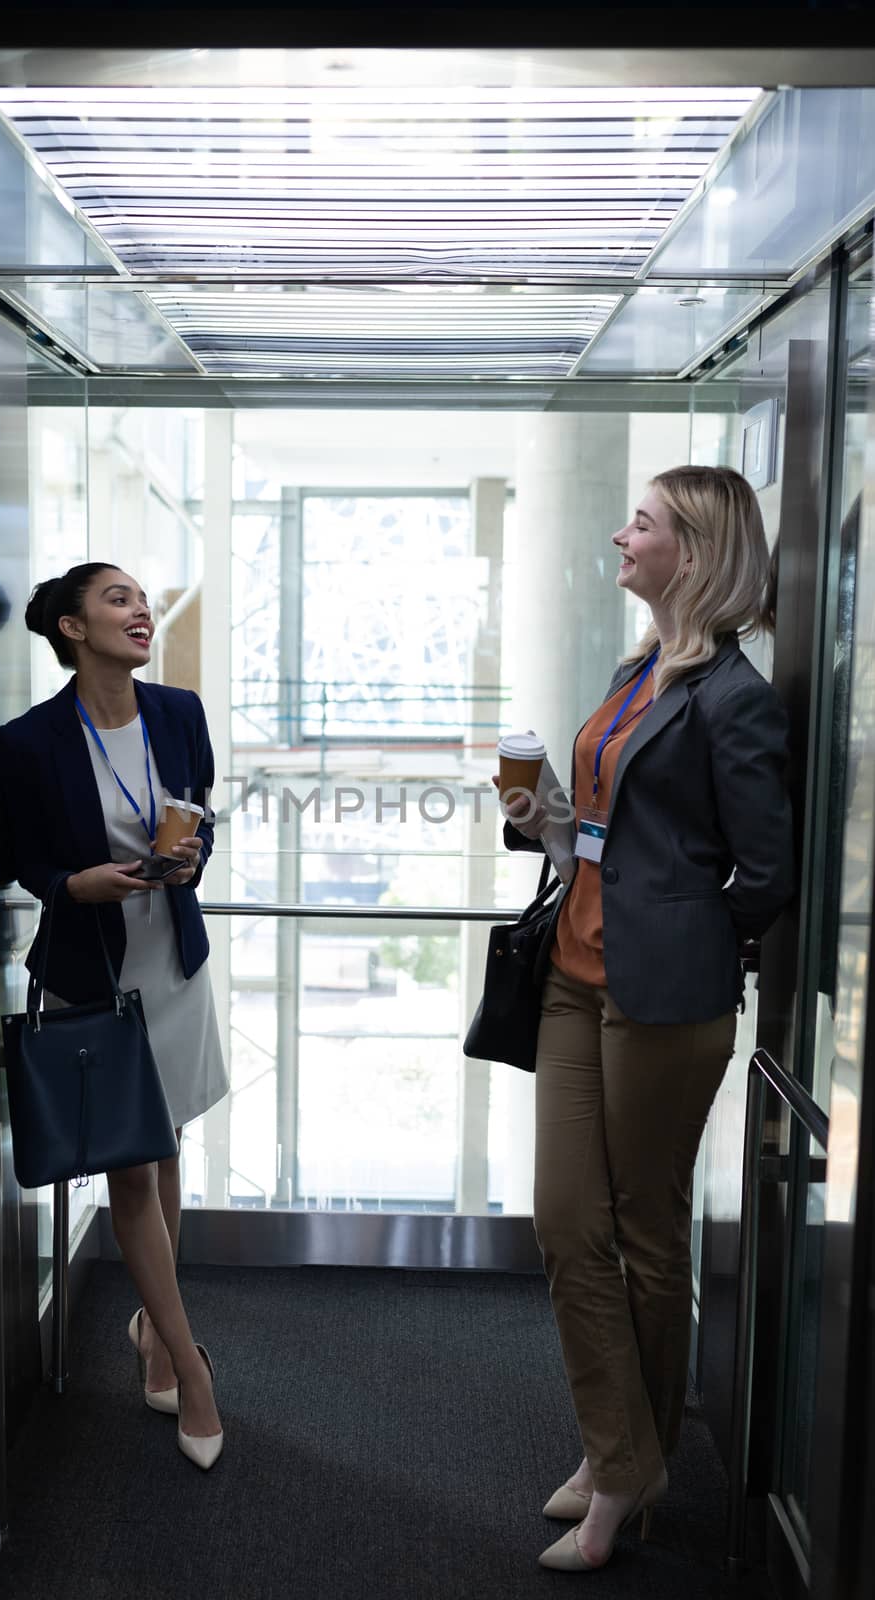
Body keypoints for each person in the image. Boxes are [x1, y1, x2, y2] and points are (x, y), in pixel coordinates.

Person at [497, 466, 793, 1571]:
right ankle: (623, 1451)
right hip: (573, 979)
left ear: (695, 552)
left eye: (645, 523)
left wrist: (678, 932)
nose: (622, 534)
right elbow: (616, 831)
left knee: (645, 1235)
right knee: (563, 1223)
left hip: (661, 997)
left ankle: (627, 1470)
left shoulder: (734, 696)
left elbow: (760, 871)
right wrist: (545, 822)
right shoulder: (635, 673)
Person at [0, 561, 227, 1470]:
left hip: (170, 961)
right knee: (133, 1173)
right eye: (117, 600)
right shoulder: (29, 742)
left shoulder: (178, 712)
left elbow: (200, 807)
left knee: (165, 1146)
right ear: (71, 629)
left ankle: (149, 1329)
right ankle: (190, 1367)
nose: (140, 612)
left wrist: (195, 848)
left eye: (141, 600)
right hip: (92, 971)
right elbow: (22, 859)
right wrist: (71, 886)